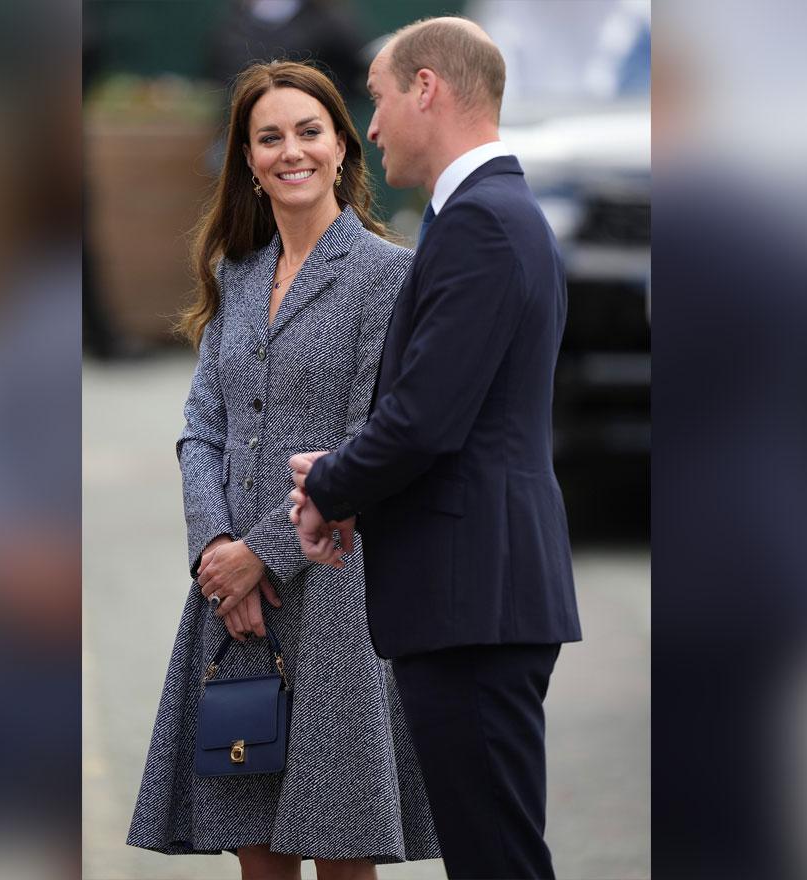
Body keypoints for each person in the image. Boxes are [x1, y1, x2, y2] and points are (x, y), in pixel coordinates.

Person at [126, 61, 439, 879]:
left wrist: (259, 555)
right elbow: (201, 429)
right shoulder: (235, 274)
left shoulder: (387, 274)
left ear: (342, 147)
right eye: (270, 137)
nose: (290, 151)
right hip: (232, 601)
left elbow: (373, 438)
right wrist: (215, 554)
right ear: (248, 160)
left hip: (335, 591)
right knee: (256, 853)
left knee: (338, 851)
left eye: (309, 132)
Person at [288, 18, 583, 880]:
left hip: (475, 599)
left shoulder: (483, 224)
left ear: (427, 88)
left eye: (376, 98)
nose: (368, 126)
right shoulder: (489, 217)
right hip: (478, 592)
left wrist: (331, 482)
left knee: (496, 861)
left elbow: (425, 418)